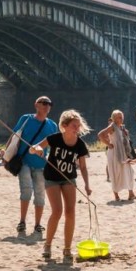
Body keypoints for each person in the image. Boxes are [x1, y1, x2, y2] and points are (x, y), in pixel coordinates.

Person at [29, 110, 91, 262]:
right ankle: (48, 245)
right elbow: (33, 148)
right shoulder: (54, 138)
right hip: (51, 178)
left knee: (70, 212)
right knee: (57, 211)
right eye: (74, 125)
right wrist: (36, 149)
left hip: (69, 179)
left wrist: (87, 185)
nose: (77, 128)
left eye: (78, 125)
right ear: (64, 126)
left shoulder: (80, 144)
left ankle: (67, 248)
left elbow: (83, 167)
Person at [6, 96, 58, 235]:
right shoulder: (26, 119)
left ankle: (37, 224)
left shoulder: (52, 125)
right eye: (44, 103)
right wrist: (6, 154)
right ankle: (22, 222)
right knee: (27, 190)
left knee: (40, 194)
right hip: (24, 162)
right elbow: (14, 136)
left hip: (41, 165)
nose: (47, 106)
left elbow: (55, 147)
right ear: (36, 105)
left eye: (49, 104)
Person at [98, 110, 136, 202]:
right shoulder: (112, 126)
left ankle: (131, 194)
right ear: (114, 118)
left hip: (124, 152)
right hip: (115, 152)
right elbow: (100, 135)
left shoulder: (122, 127)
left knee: (129, 171)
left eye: (122, 116)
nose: (121, 118)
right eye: (119, 117)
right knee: (116, 172)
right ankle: (116, 195)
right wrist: (108, 144)